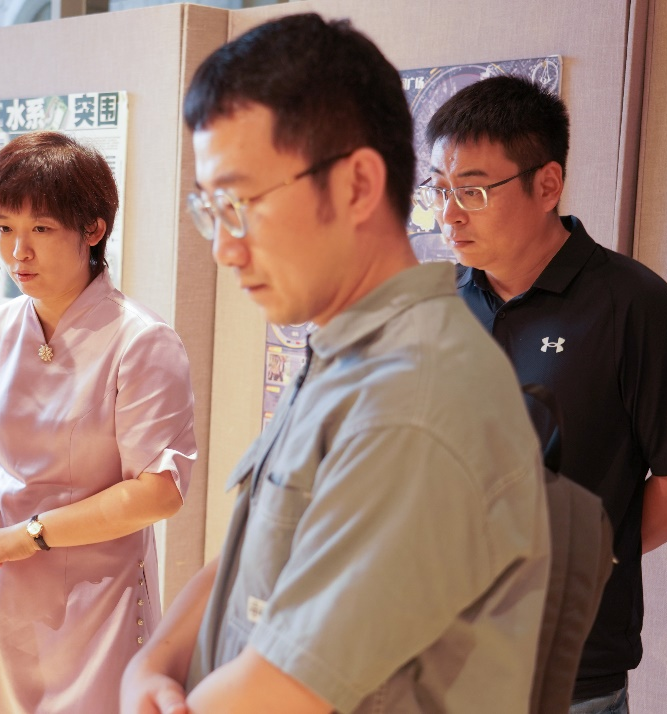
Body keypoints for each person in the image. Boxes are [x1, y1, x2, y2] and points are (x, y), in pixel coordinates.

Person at [122, 14, 550, 714]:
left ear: (355, 185)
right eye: (212, 208)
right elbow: (252, 563)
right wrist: (152, 662)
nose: (225, 247)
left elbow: (285, 687)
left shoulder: (415, 394)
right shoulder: (347, 352)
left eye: (242, 203)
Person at [421, 75, 667, 713]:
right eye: (441, 189)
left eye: (472, 190)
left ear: (547, 185)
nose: (449, 214)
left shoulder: (634, 307)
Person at [0, 130, 197, 713]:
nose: (18, 252)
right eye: (4, 229)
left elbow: (159, 492)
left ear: (93, 230)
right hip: (3, 586)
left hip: (99, 600)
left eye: (41, 229)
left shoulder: (142, 341)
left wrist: (31, 534)